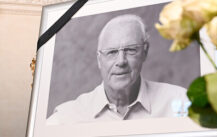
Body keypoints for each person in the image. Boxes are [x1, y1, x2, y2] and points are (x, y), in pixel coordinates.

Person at [47, 14, 190, 125]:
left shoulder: (180, 102)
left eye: (130, 50)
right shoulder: (66, 117)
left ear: (144, 52)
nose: (121, 61)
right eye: (112, 52)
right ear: (99, 60)